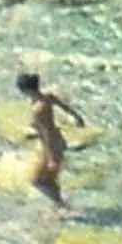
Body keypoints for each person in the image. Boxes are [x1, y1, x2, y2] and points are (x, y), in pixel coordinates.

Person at [17, 71, 85, 205]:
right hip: (56, 141)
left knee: (42, 181)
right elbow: (64, 107)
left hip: (52, 145)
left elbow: (46, 132)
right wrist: (77, 117)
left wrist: (50, 157)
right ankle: (59, 205)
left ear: (26, 90)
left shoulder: (37, 109)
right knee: (44, 180)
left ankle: (61, 206)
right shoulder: (47, 97)